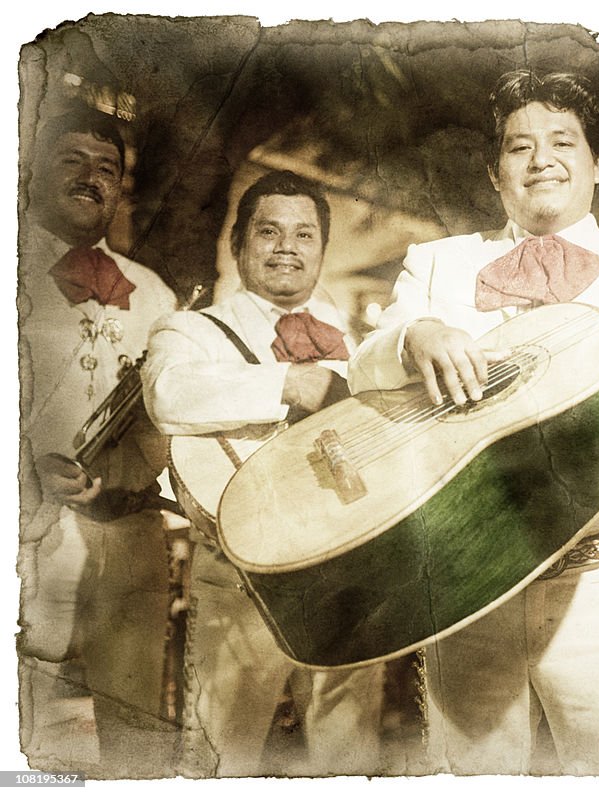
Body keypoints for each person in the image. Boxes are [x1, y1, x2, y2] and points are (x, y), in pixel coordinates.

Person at [346, 70, 599, 776]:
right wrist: (415, 337)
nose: (541, 160)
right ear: (495, 173)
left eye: (564, 141)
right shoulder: (439, 264)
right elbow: (363, 373)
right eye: (519, 146)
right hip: (466, 581)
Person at [142, 170, 384, 777]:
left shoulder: (360, 338)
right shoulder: (191, 330)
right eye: (269, 231)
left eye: (304, 235)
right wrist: (287, 382)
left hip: (348, 566)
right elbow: (168, 394)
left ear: (322, 250)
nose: (286, 247)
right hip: (239, 572)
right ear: (238, 244)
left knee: (349, 754)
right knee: (223, 751)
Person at [18, 107, 178, 776]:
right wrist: (25, 476)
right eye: (72, 161)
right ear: (33, 170)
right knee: (21, 723)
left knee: (135, 730)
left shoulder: (157, 295)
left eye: (107, 169)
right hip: (30, 536)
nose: (91, 178)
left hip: (133, 536)